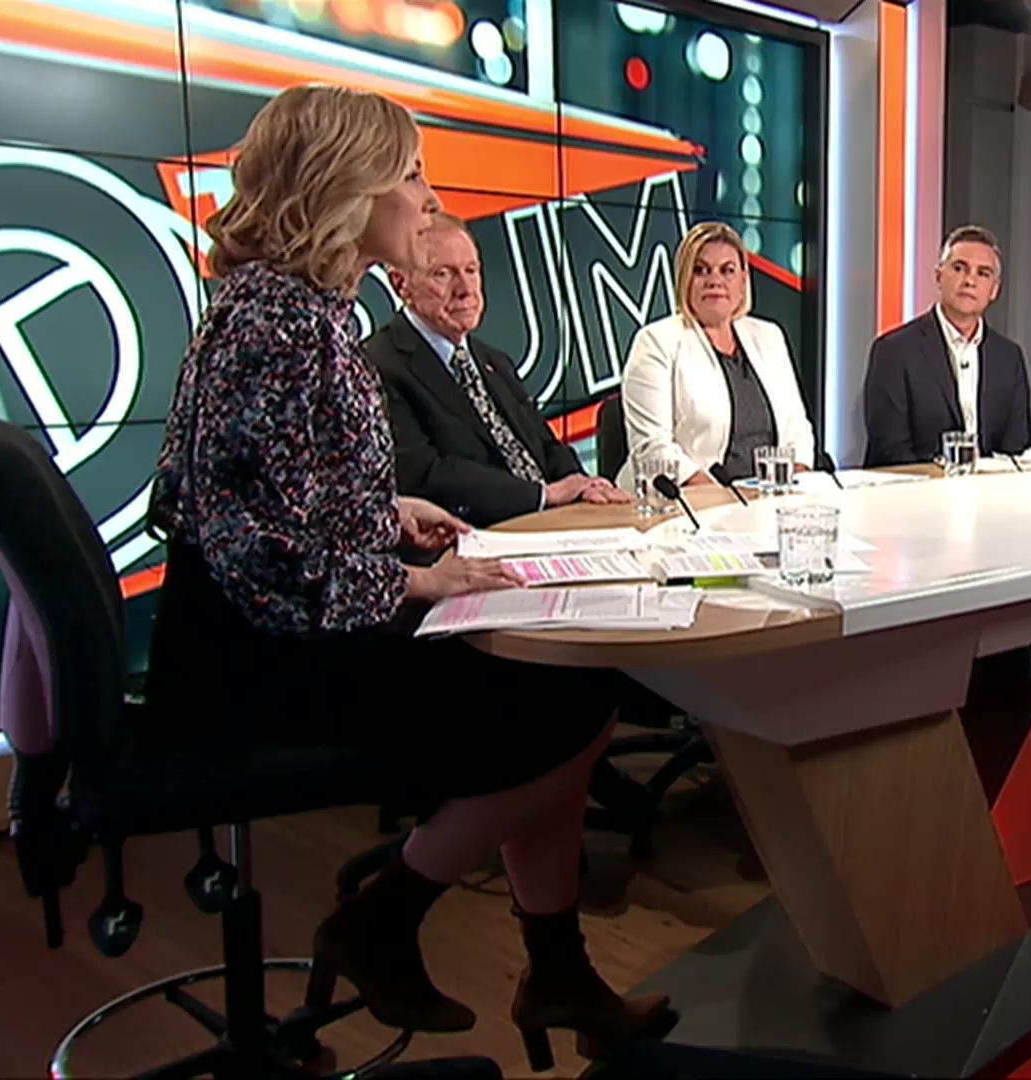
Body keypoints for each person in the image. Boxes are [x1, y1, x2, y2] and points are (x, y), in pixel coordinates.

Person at [141, 84, 672, 1054]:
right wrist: (412, 581)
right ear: (344, 186)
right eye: (412, 175)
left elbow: (265, 497)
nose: (428, 199)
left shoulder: (296, 311)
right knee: (567, 705)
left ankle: (555, 974)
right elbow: (242, 545)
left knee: (567, 696)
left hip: (283, 633)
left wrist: (385, 514)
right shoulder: (277, 325)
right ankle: (388, 917)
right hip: (259, 664)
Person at [368, 213, 628, 527]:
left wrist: (583, 486)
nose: (465, 289)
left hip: (553, 524)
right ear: (401, 285)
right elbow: (424, 475)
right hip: (474, 536)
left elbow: (545, 445)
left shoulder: (493, 361)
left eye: (471, 270)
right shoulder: (379, 364)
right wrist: (543, 495)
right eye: (443, 274)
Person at [616, 221, 815, 489]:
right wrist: (719, 497)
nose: (715, 281)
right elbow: (652, 447)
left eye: (727, 270)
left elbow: (796, 428)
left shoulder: (769, 337)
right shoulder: (656, 342)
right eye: (701, 270)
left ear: (743, 281)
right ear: (684, 280)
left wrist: (796, 484)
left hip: (766, 498)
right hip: (688, 500)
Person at [863, 225, 1031, 467]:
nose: (969, 281)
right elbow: (891, 450)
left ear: (994, 290)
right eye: (959, 268)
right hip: (917, 487)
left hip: (991, 488)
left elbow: (1016, 447)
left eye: (983, 273)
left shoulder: (1008, 357)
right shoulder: (894, 352)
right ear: (938, 276)